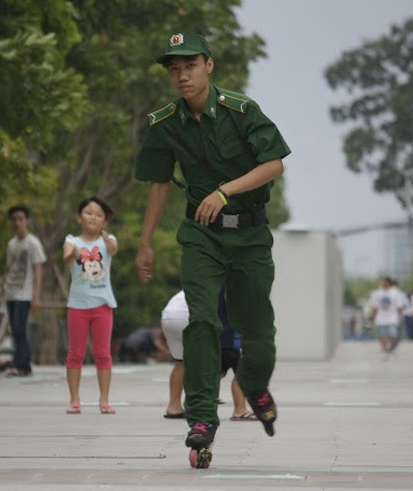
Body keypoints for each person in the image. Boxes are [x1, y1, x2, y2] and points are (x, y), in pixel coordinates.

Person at [134, 31, 290, 465]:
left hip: (251, 234)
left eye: (190, 66)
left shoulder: (242, 112)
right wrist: (144, 243)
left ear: (209, 66)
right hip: (201, 235)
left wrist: (224, 192)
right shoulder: (164, 123)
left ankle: (254, 385)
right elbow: (159, 183)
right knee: (200, 321)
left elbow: (274, 162)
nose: (182, 76)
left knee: (256, 329)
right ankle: (201, 418)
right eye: (174, 69)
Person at [161, 289, 254, 421]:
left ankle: (174, 407)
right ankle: (240, 410)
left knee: (182, 362)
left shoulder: (203, 279)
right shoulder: (227, 284)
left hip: (169, 315)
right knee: (238, 372)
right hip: (193, 317)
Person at [63, 197, 119, 415]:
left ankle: (104, 400)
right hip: (77, 304)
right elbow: (66, 258)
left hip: (102, 304)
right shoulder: (72, 241)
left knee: (103, 353)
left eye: (98, 214)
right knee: (76, 353)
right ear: (79, 218)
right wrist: (73, 254)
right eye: (88, 212)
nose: (93, 217)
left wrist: (105, 238)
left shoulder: (108, 240)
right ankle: (74, 399)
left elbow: (113, 250)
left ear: (104, 221)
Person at [0, 205, 47, 377]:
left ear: (27, 220)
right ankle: (23, 365)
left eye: (21, 219)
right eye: (14, 219)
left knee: (19, 328)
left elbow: (38, 269)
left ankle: (21, 365)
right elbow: (8, 269)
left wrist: (36, 296)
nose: (18, 223)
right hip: (11, 292)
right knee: (15, 329)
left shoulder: (33, 243)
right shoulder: (12, 244)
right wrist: (0, 294)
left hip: (25, 293)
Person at [369, 276, 406, 359]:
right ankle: (384, 349)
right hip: (380, 318)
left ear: (389, 283)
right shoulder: (377, 293)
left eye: (385, 282)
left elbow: (399, 307)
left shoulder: (395, 293)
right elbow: (374, 307)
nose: (383, 284)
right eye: (382, 282)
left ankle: (390, 348)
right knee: (381, 335)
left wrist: (400, 317)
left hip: (392, 318)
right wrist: (373, 317)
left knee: (393, 334)